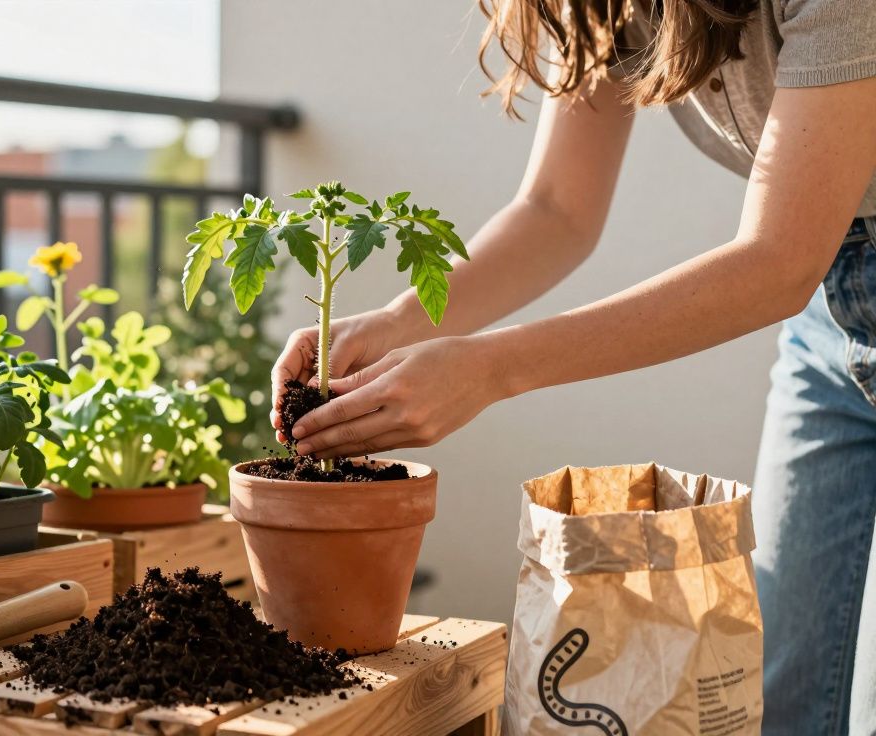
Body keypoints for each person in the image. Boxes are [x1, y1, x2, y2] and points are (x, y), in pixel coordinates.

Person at [272, 0, 876, 732]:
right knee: (784, 695)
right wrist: (404, 319)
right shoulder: (602, 7)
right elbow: (557, 208)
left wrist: (491, 368)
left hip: (806, 266)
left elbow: (779, 260)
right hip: (831, 316)